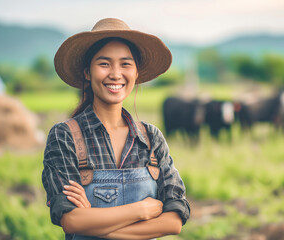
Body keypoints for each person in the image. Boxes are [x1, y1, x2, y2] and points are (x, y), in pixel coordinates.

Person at [41, 18, 190, 240]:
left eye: (125, 64)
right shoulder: (64, 136)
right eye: (104, 63)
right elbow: (70, 220)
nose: (115, 74)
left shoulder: (151, 138)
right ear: (87, 73)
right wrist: (141, 210)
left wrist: (92, 220)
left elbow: (174, 220)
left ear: (136, 73)